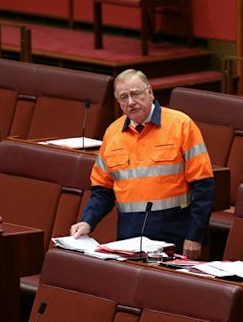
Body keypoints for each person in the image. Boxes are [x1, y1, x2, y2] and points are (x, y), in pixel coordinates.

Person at [70, 69, 214, 259]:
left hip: (175, 234)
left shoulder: (181, 125)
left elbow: (203, 186)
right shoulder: (112, 133)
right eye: (123, 97)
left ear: (150, 92)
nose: (130, 102)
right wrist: (88, 221)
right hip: (129, 237)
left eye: (135, 94)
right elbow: (102, 191)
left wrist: (195, 236)